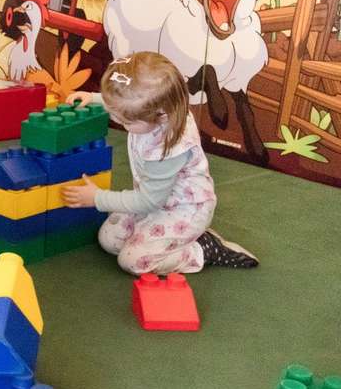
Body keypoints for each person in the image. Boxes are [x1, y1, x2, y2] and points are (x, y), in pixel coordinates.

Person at [64, 51, 259, 273]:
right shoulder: (162, 106)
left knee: (132, 261)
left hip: (182, 209)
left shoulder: (167, 148)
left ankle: (204, 249)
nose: (117, 120)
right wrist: (97, 99)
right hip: (156, 198)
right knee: (110, 240)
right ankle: (165, 238)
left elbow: (148, 202)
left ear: (161, 114)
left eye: (125, 120)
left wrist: (98, 198)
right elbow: (129, 103)